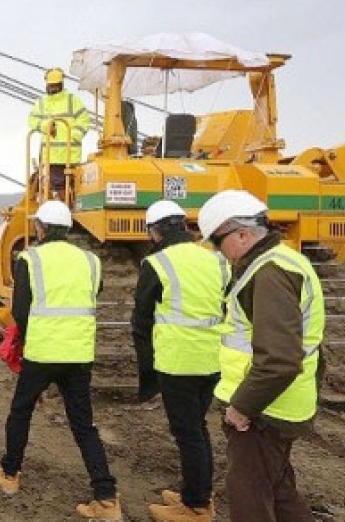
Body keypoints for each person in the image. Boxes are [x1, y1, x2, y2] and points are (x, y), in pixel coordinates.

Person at [0, 200, 121, 520]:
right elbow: (93, 292)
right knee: (83, 424)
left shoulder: (30, 258)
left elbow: (20, 311)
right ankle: (106, 498)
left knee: (21, 411)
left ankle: (10, 473)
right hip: (78, 354)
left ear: (41, 228)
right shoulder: (90, 260)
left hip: (43, 352)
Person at [198, 190, 325, 522]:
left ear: (242, 233)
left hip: (264, 412)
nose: (217, 250)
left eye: (217, 241)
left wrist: (242, 406)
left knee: (250, 497)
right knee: (279, 491)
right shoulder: (285, 261)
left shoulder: (269, 273)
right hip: (282, 403)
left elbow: (280, 358)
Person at [132, 200, 227, 522]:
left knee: (189, 434)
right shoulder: (217, 259)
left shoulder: (157, 263)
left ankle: (197, 507)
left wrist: (146, 374)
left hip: (179, 362)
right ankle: (196, 492)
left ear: (154, 232)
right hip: (214, 359)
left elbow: (141, 323)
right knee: (197, 428)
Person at [27, 68, 91, 194]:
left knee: (72, 189)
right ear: (47, 85)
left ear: (61, 84)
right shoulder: (41, 103)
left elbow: (84, 121)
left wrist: (73, 136)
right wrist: (46, 126)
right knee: (56, 190)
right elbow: (32, 120)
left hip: (70, 155)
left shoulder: (73, 101)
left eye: (56, 85)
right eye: (51, 86)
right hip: (51, 157)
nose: (53, 88)